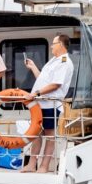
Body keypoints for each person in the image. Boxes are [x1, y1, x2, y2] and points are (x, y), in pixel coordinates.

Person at [23, 34, 75, 173]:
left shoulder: (64, 62)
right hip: (40, 104)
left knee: (50, 135)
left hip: (50, 104)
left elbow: (56, 85)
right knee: (36, 133)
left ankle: (44, 166)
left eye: (54, 43)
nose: (52, 46)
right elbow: (43, 80)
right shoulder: (54, 60)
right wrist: (33, 67)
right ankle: (32, 164)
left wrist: (35, 93)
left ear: (61, 45)